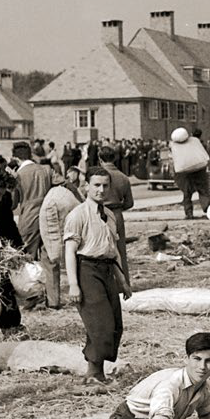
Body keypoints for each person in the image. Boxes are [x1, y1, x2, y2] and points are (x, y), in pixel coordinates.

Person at [65, 167, 132, 384]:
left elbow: (113, 251)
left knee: (114, 325)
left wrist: (123, 280)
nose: (101, 190)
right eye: (96, 185)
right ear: (86, 186)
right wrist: (73, 285)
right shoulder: (78, 215)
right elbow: (69, 252)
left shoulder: (110, 215)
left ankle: (98, 371)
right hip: (87, 270)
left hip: (107, 270)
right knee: (100, 324)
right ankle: (92, 373)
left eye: (105, 185)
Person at [38, 167, 82, 308]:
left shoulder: (53, 196)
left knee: (50, 259)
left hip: (46, 221)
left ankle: (53, 301)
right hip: (68, 226)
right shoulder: (69, 193)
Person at [97, 144, 134, 279]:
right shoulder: (123, 177)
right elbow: (129, 203)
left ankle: (104, 283)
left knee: (99, 250)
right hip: (117, 214)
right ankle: (123, 283)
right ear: (115, 158)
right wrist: (118, 208)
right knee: (120, 250)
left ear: (100, 159)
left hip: (99, 214)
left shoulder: (96, 176)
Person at [12, 141, 54, 258]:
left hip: (28, 218)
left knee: (25, 257)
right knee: (49, 259)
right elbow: (64, 183)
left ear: (16, 159)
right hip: (48, 217)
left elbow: (13, 204)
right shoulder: (46, 170)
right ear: (30, 155)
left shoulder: (18, 175)